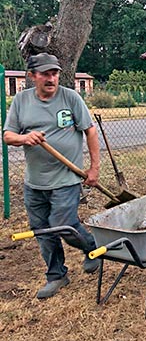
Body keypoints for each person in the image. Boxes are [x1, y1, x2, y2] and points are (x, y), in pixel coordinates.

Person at [4, 53, 101, 299]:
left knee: (63, 224)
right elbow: (8, 135)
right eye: (45, 74)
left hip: (66, 178)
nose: (51, 78)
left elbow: (90, 131)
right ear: (32, 76)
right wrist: (25, 138)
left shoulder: (71, 97)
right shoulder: (21, 101)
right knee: (42, 230)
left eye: (54, 73)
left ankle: (92, 248)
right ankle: (56, 275)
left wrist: (94, 168)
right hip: (34, 182)